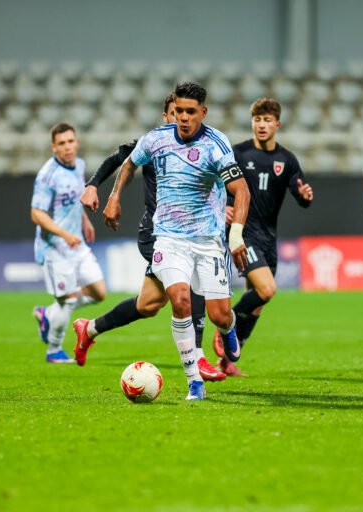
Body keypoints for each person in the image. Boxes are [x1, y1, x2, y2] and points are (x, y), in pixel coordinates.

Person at [82, 81, 250, 401]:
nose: (183, 118)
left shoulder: (216, 145)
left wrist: (237, 234)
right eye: (179, 111)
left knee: (218, 314)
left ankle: (228, 329)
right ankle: (194, 381)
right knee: (180, 300)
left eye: (190, 112)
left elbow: (241, 190)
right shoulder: (156, 139)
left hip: (208, 240)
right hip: (168, 238)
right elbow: (128, 163)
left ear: (203, 112)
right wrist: (114, 196)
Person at [213, 97, 314, 377]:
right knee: (267, 289)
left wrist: (305, 196)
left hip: (269, 238)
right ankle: (225, 326)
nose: (261, 125)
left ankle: (226, 362)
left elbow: (301, 194)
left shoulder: (287, 160)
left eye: (267, 120)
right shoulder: (238, 153)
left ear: (277, 124)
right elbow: (214, 184)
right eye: (257, 120)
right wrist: (223, 206)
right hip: (244, 233)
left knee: (257, 303)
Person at [30, 123, 107, 363]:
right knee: (69, 299)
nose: (67, 147)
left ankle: (48, 314)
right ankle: (54, 350)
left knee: (99, 293)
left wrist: (85, 221)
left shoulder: (79, 166)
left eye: (70, 141)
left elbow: (73, 200)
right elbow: (37, 214)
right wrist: (64, 234)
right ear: (54, 147)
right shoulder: (48, 175)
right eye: (62, 143)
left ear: (77, 142)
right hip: (55, 247)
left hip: (76, 243)